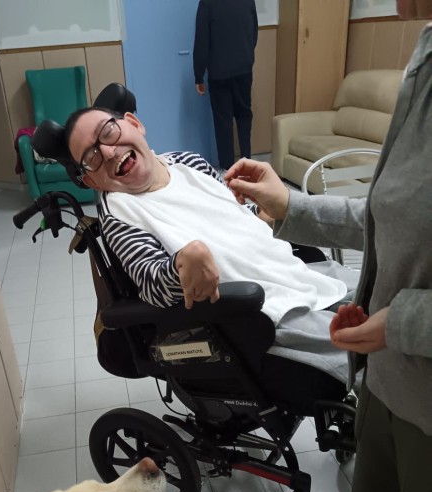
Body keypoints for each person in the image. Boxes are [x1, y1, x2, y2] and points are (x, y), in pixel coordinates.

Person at [225, 2, 432, 492]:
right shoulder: (426, 47)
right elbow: (392, 216)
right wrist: (293, 206)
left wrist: (403, 322)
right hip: (387, 380)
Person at [64, 106, 360, 386]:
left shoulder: (187, 163)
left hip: (293, 271)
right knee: (368, 350)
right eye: (92, 157)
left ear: (134, 123)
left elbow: (233, 212)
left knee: (377, 292)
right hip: (264, 310)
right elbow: (151, 285)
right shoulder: (120, 214)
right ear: (92, 181)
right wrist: (182, 263)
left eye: (108, 132)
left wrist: (265, 211)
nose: (108, 151)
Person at [193, 0, 258, 171]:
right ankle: (247, 160)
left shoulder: (207, 3)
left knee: (223, 120)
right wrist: (246, 56)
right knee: (244, 114)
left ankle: (228, 168)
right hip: (244, 68)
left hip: (219, 72)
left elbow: (202, 39)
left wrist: (199, 75)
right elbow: (254, 33)